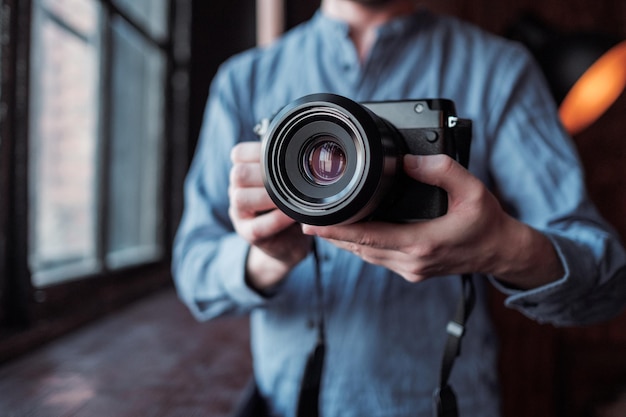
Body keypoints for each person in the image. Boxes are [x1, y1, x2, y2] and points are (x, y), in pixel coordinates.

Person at [172, 0, 626, 416]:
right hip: (288, 401)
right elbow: (194, 273)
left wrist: (501, 248)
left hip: (442, 402)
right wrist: (265, 258)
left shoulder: (496, 68)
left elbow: (606, 281)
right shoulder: (246, 78)